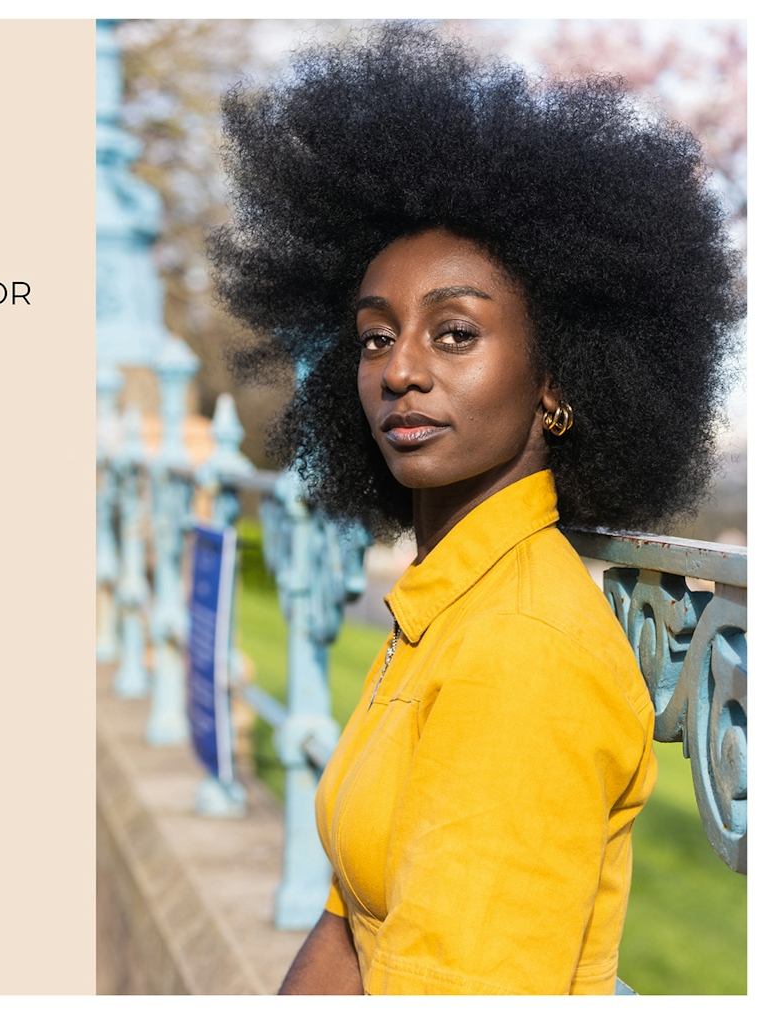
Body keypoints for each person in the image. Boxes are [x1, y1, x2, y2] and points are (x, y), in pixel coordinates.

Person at [209, 25, 743, 995]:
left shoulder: (518, 651)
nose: (401, 369)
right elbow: (352, 918)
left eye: (455, 333)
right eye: (375, 339)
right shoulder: (448, 602)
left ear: (556, 380)